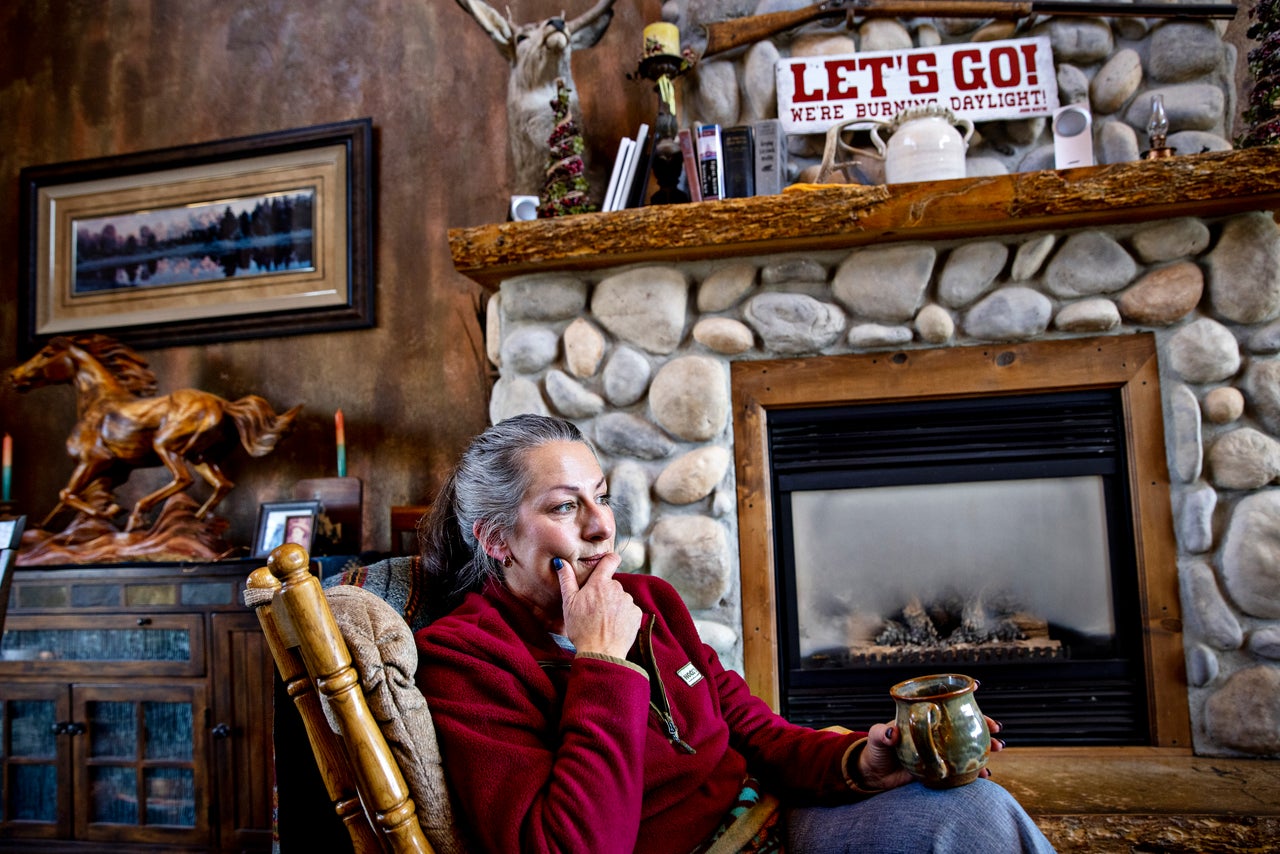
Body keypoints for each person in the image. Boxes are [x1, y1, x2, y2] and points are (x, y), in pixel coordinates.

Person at [414, 414, 1056, 854]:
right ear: (496, 539)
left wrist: (863, 758)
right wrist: (601, 661)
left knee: (976, 811)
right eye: (562, 506)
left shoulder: (651, 601)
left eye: (601, 498)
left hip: (774, 820)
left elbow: (754, 732)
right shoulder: (464, 659)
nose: (601, 527)